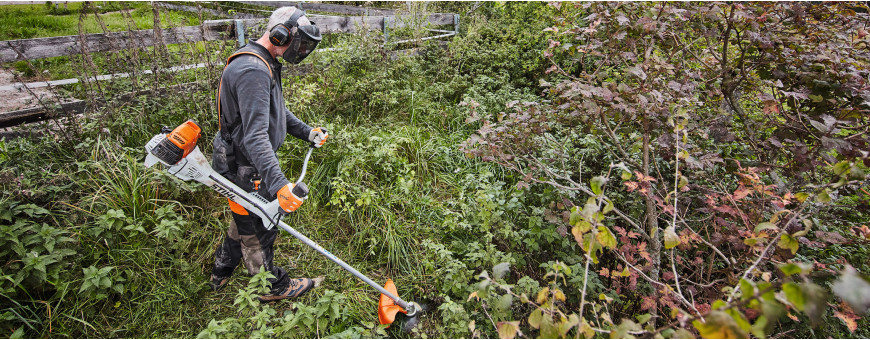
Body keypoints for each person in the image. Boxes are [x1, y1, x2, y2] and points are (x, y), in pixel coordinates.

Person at [208, 6, 328, 302]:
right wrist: (278, 185)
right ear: (280, 34)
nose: (301, 51)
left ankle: (220, 270)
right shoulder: (253, 70)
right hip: (245, 165)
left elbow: (277, 110)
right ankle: (270, 287)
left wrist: (306, 132)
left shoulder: (262, 60)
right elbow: (255, 136)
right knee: (260, 226)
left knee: (244, 218)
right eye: (298, 44)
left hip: (242, 160)